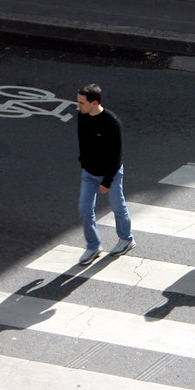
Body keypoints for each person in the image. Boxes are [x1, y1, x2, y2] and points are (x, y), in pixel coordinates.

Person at [76, 83, 135, 265]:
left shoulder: (111, 122)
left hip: (111, 173)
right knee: (85, 209)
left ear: (94, 103)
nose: (78, 106)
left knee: (118, 207)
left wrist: (107, 181)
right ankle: (93, 246)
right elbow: (83, 142)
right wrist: (83, 164)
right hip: (89, 172)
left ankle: (126, 239)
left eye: (82, 103)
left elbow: (116, 156)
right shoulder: (82, 117)